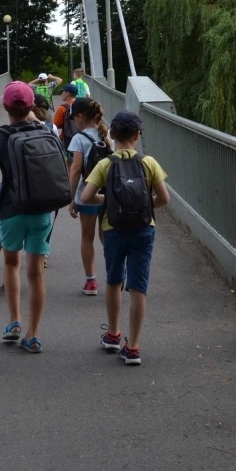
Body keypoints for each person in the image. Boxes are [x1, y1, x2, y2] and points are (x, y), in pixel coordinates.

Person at [80, 109, 170, 365]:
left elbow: (86, 197)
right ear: (136, 135)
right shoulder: (148, 162)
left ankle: (113, 334)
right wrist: (145, 206)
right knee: (138, 286)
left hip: (114, 229)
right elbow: (164, 199)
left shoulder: (105, 164)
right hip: (143, 229)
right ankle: (133, 347)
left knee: (114, 280)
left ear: (113, 135)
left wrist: (109, 201)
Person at [0, 80, 56, 353]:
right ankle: (33, 334)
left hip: (12, 210)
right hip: (43, 210)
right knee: (36, 274)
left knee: (11, 264)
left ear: (5, 105)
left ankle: (14, 321)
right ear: (32, 105)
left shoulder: (0, 136)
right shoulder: (46, 130)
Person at [67, 97, 111, 295]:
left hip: (87, 194)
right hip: (109, 193)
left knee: (87, 236)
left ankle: (91, 281)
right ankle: (116, 274)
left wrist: (71, 199)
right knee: (107, 235)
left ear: (79, 117)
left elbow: (76, 169)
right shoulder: (108, 134)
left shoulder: (79, 139)